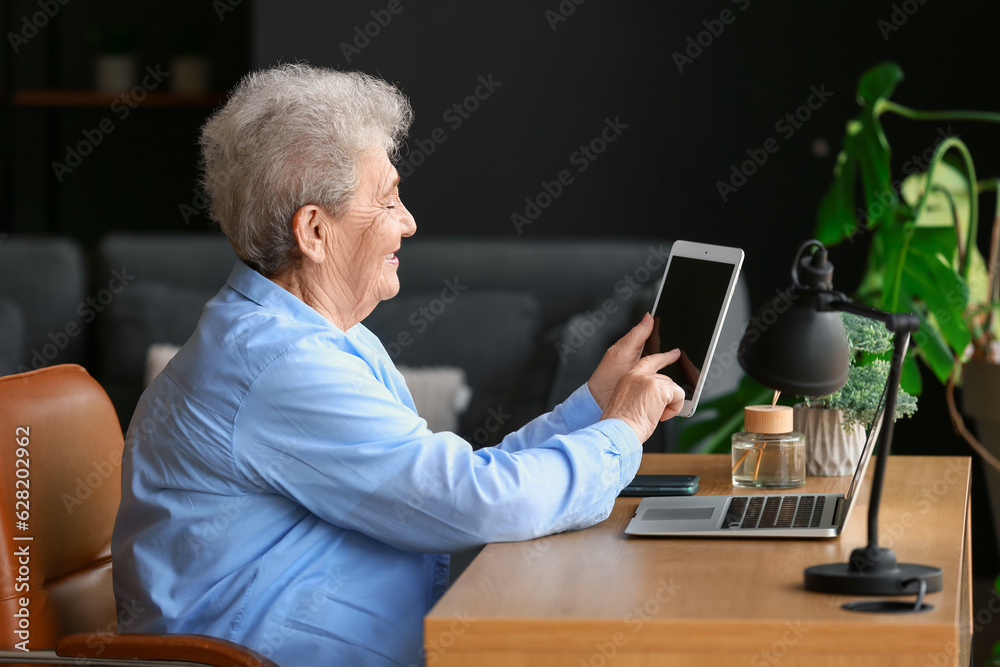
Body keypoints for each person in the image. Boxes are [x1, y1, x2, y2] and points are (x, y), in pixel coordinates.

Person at [111, 64, 684, 667]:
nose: (408, 222)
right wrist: (620, 433)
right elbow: (471, 501)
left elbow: (451, 480)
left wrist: (596, 406)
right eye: (387, 200)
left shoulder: (321, 334)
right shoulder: (281, 364)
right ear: (314, 230)